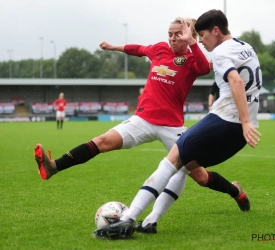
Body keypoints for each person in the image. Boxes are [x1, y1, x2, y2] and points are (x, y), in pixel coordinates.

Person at [34, 17, 249, 237]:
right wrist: (113, 47)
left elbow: (204, 68)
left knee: (200, 176)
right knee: (102, 142)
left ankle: (235, 191)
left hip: (172, 127)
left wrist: (192, 43)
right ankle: (54, 167)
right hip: (143, 120)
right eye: (170, 34)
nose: (173, 38)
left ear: (188, 35)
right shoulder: (159, 49)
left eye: (178, 34)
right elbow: (137, 49)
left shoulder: (193, 58)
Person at [96, 9, 262, 238]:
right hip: (240, 133)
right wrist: (247, 122)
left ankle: (127, 220)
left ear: (215, 31)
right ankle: (151, 221)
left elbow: (234, 80)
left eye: (202, 36)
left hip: (224, 120)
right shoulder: (246, 48)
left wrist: (243, 121)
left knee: (172, 160)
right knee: (185, 166)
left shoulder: (221, 52)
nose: (202, 42)